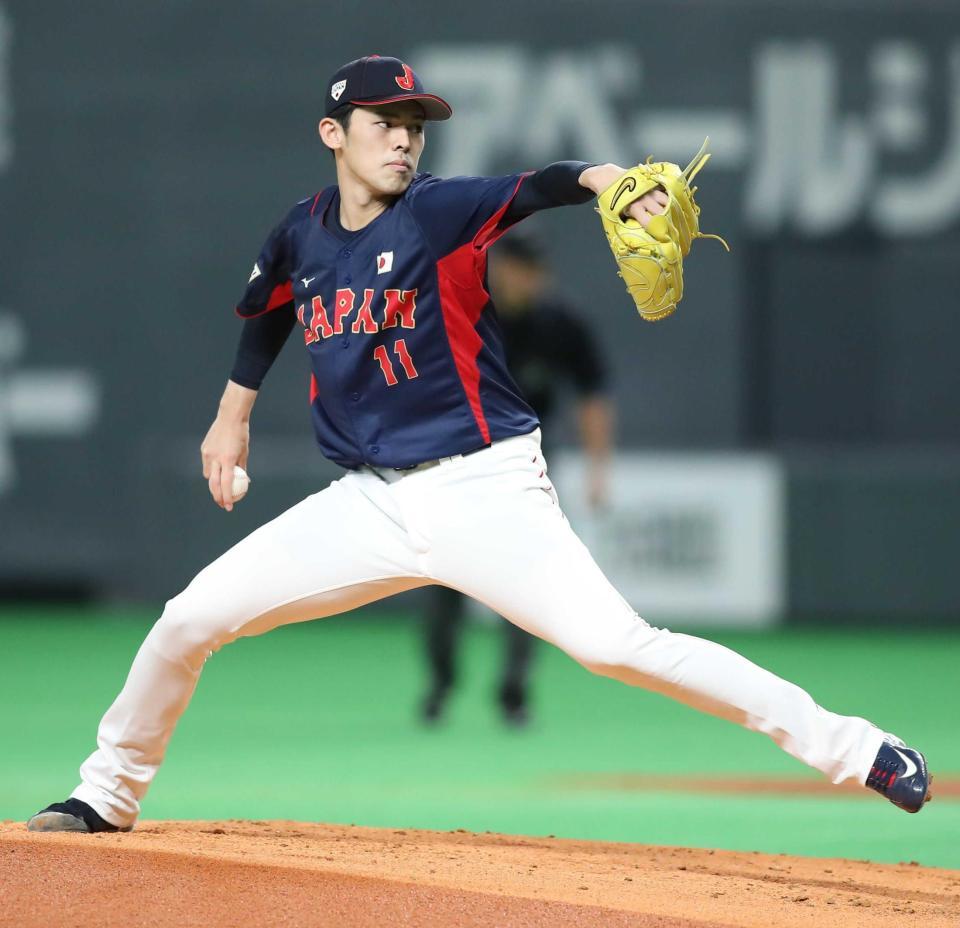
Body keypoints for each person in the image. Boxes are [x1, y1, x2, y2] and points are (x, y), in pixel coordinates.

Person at [28, 55, 930, 834]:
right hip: (367, 503)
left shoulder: (437, 213)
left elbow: (543, 182)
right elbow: (268, 313)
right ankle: (106, 795)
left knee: (621, 647)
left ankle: (862, 750)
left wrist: (611, 178)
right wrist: (232, 414)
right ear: (333, 133)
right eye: (386, 122)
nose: (406, 140)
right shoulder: (300, 231)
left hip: (487, 490)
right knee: (188, 619)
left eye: (416, 125)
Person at [420, 233, 613, 726]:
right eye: (518, 269)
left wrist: (598, 468)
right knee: (445, 583)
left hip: (526, 470)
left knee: (527, 586)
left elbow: (592, 395)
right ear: (499, 270)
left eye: (534, 271)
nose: (526, 280)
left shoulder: (560, 325)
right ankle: (440, 684)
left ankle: (514, 690)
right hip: (456, 466)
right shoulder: (462, 312)